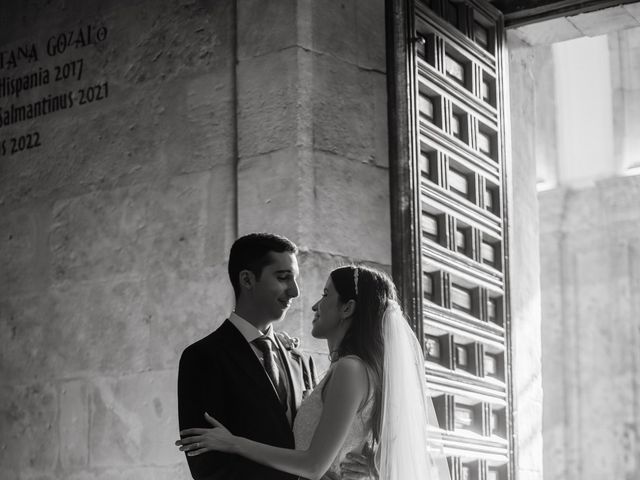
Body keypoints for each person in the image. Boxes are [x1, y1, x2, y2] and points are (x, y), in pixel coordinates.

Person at [177, 264, 452, 480]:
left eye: (325, 295)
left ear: (347, 308)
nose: (314, 305)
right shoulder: (349, 368)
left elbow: (313, 465)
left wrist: (233, 442)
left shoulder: (350, 369)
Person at [177, 233, 375, 480]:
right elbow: (208, 467)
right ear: (247, 279)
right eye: (283, 278)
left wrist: (368, 461)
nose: (295, 292)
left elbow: (320, 441)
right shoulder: (203, 357)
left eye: (295, 280)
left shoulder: (300, 360)